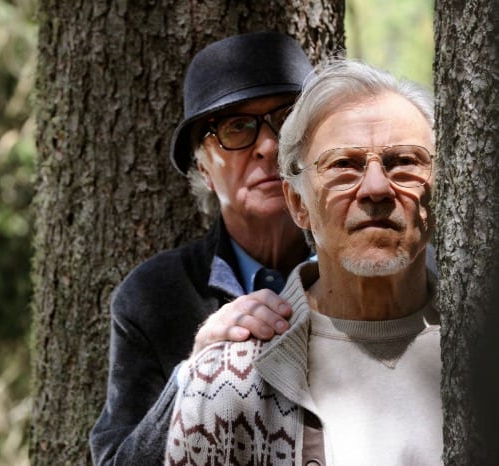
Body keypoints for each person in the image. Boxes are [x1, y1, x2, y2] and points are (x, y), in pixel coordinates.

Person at [165, 59, 442, 466]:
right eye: (343, 165)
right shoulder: (222, 384)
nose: (377, 188)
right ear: (298, 204)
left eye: (404, 161)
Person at [90, 32, 315, 465]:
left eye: (288, 119)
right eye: (237, 128)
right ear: (203, 168)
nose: (269, 145)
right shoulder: (153, 297)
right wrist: (194, 375)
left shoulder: (380, 269)